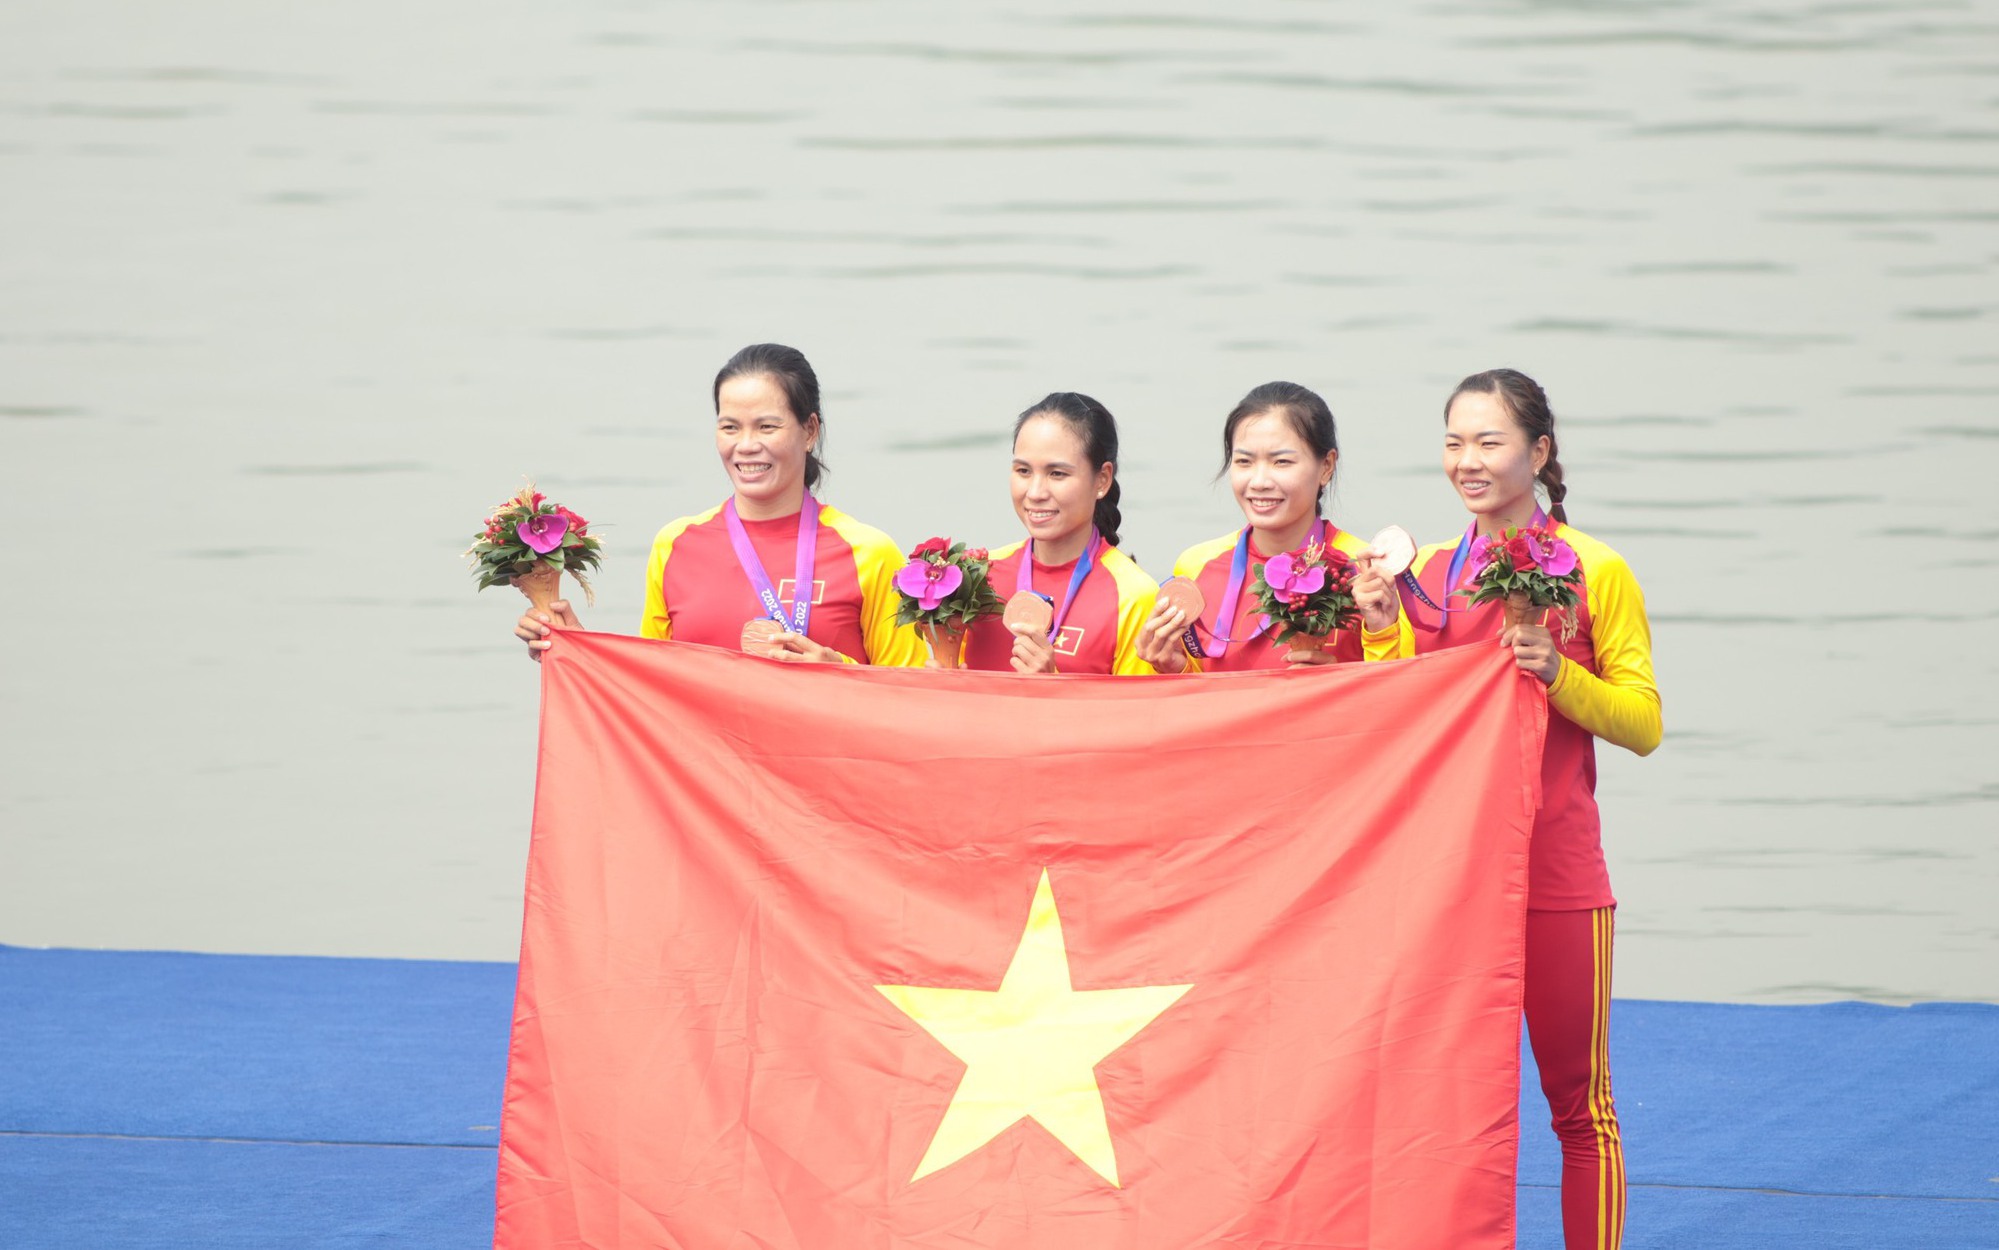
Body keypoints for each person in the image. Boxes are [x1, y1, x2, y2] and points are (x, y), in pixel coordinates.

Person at [1360, 368, 1661, 1250]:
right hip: (1446, 885)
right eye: (1454, 442)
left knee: (1579, 1106)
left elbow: (1642, 724)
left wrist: (1555, 672)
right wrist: (1382, 623)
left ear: (1539, 451)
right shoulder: (1425, 569)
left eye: (1489, 442)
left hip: (1558, 872)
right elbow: (1398, 719)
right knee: (1437, 1110)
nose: (1468, 461)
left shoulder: (1595, 569)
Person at [516, 343, 921, 666]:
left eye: (767, 426)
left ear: (809, 430)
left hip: (821, 770)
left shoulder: (868, 553)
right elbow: (653, 688)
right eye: (730, 427)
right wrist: (576, 649)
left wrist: (838, 672)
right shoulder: (676, 544)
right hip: (708, 771)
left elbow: (914, 701)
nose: (746, 446)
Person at [1134, 381, 1372, 674]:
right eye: (1244, 461)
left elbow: (1405, 695)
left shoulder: (1365, 570)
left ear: (1326, 466)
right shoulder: (1195, 566)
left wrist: (1343, 680)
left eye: (1281, 462)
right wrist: (1172, 668)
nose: (1259, 481)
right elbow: (1193, 699)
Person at [956, 393, 1158, 675]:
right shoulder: (977, 574)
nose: (1036, 493)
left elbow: (1139, 715)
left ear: (1102, 480)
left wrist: (1052, 687)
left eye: (1057, 474)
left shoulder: (1134, 595)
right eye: (1023, 470)